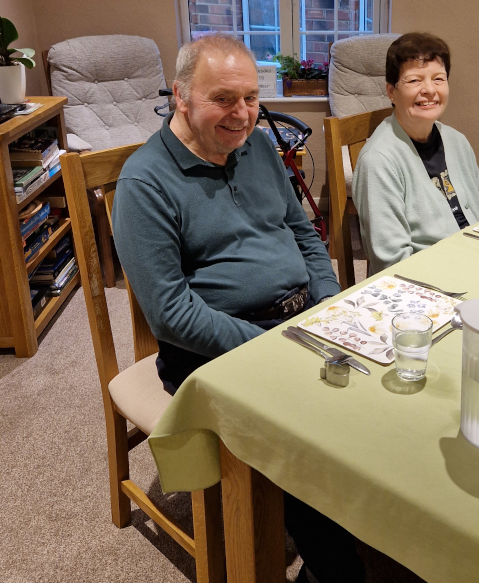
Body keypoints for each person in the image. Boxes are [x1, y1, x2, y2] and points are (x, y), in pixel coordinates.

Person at [112, 34, 363, 583]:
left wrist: (332, 305)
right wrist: (276, 347)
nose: (243, 113)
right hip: (214, 350)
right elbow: (171, 316)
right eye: (224, 98)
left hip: (299, 320)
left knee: (382, 386)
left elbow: (304, 232)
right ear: (181, 96)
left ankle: (379, 531)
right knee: (311, 426)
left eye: (251, 97)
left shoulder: (256, 152)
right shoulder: (144, 183)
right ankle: (334, 570)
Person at [352, 32, 479, 274]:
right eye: (414, 81)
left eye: (439, 78)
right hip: (430, 284)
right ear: (391, 91)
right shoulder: (379, 161)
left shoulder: (456, 141)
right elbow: (393, 261)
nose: (429, 90)